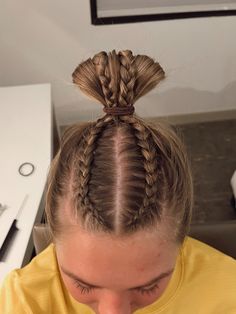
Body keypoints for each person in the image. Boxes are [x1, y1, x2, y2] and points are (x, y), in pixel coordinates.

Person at [1, 50, 236, 314]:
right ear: (53, 235)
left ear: (181, 236)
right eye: (83, 285)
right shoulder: (23, 301)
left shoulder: (229, 293)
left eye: (147, 288)